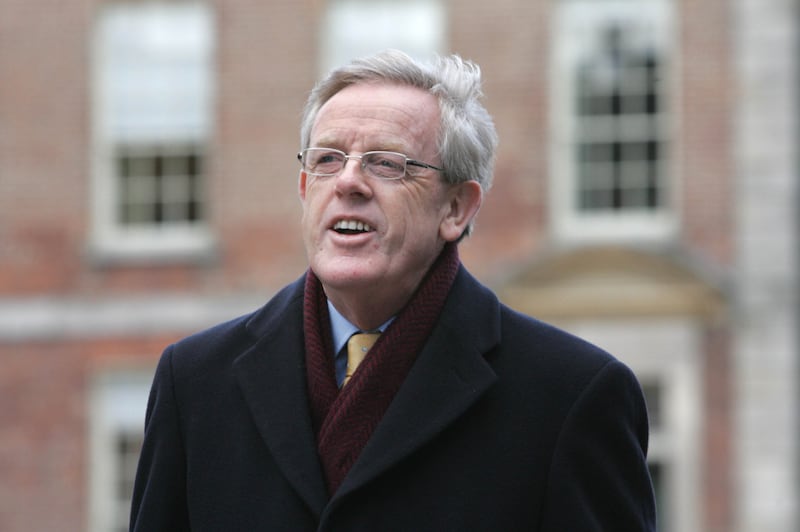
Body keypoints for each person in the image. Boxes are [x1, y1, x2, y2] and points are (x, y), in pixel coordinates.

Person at [130, 49, 656, 531]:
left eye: (387, 163)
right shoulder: (195, 382)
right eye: (327, 159)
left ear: (456, 208)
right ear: (303, 187)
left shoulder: (572, 395)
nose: (348, 182)